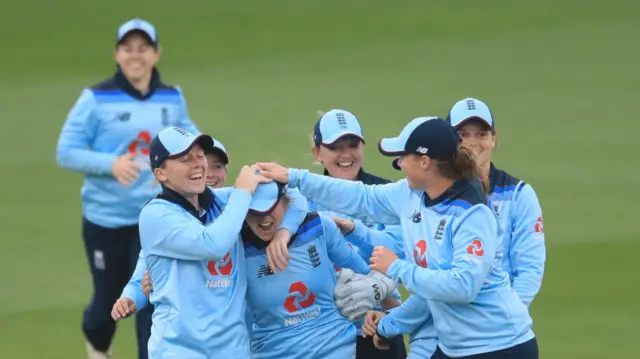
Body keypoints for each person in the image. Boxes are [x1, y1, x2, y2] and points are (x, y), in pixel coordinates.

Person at [256, 116, 539, 359]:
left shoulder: (472, 214)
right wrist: (294, 177)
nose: (400, 164)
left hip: (501, 345)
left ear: (425, 162)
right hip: (457, 348)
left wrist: (396, 267)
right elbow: (361, 197)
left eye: (403, 157)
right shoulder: (412, 194)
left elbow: (462, 286)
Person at [55, 18, 199, 359]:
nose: (136, 56)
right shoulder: (95, 99)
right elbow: (66, 151)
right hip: (106, 220)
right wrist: (111, 164)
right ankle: (97, 344)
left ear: (156, 53)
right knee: (107, 304)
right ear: (117, 54)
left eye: (143, 49)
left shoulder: (172, 98)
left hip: (155, 217)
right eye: (128, 49)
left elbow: (191, 137)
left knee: (151, 300)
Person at [116, 127, 308, 359]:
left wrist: (283, 233)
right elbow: (212, 245)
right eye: (186, 159)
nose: (198, 164)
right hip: (179, 352)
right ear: (161, 174)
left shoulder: (222, 203)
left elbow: (293, 195)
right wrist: (243, 192)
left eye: (199, 156)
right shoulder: (156, 214)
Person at [265, 109, 407, 359]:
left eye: (353, 144)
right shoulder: (299, 203)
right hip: (322, 336)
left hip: (379, 328)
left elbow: (401, 256)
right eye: (335, 147)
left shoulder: (387, 194)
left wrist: (381, 288)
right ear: (317, 153)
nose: (345, 154)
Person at [112, 136, 230, 319]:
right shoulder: (166, 220)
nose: (210, 173)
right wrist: (132, 297)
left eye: (219, 167)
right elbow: (144, 270)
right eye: (188, 161)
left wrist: (282, 234)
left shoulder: (236, 210)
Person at [446, 97, 546, 307]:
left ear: (494, 139)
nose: (473, 143)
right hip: (447, 320)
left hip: (501, 323)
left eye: (482, 134)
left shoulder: (519, 195)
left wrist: (508, 317)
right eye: (462, 135)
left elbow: (529, 268)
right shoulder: (434, 193)